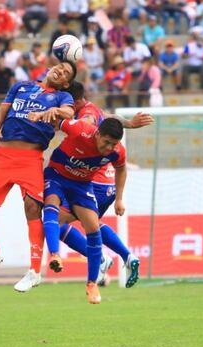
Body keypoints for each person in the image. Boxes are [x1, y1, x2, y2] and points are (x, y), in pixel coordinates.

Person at [0, 62, 76, 292]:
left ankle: (33, 271)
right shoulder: (21, 86)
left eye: (66, 73)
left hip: (31, 157)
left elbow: (69, 112)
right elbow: (0, 113)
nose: (60, 71)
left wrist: (56, 112)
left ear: (66, 83)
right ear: (51, 67)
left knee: (32, 207)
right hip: (3, 155)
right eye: (60, 67)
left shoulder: (62, 96)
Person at [55, 81, 151, 286]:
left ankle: (100, 258)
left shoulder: (86, 116)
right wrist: (129, 123)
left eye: (65, 102)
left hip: (93, 182)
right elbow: (110, 119)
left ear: (74, 101)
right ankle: (127, 256)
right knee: (92, 223)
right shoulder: (93, 109)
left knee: (55, 221)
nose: (63, 105)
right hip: (106, 184)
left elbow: (88, 128)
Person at [33, 116, 127, 304]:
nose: (109, 148)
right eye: (106, 142)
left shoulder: (117, 152)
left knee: (93, 227)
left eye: (113, 144)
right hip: (56, 176)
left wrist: (119, 199)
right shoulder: (80, 129)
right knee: (51, 206)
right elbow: (55, 120)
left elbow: (122, 169)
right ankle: (55, 254)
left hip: (82, 185)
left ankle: (92, 283)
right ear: (97, 133)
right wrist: (39, 115)